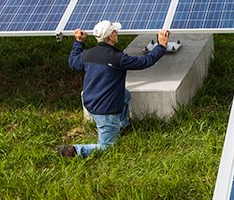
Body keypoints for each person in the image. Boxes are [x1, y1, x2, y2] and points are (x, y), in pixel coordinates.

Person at [58, 20, 170, 158]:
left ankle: (123, 125)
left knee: (125, 95)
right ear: (110, 37)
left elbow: (73, 62)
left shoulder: (87, 55)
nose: (117, 33)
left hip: (90, 102)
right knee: (107, 146)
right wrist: (161, 46)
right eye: (115, 31)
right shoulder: (117, 58)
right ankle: (74, 150)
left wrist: (79, 42)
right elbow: (144, 62)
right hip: (106, 111)